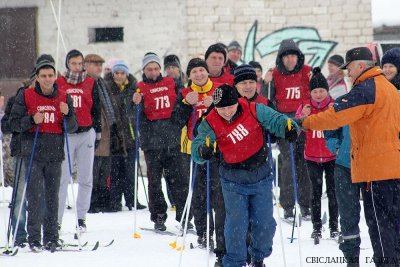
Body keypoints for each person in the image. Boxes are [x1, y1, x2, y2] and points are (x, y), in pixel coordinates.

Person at [301, 47, 400, 267]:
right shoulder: (389, 88)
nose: (348, 74)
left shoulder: (366, 89)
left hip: (376, 170)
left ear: (361, 66)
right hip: (392, 167)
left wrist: (305, 123)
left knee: (380, 228)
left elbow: (335, 116)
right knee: (393, 226)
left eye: (350, 69)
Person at [191, 84, 299, 267]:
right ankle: (234, 262)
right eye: (221, 108)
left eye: (230, 107)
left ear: (237, 102)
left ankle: (258, 258)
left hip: (261, 176)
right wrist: (202, 151)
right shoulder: (210, 121)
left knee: (265, 224)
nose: (226, 112)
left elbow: (277, 120)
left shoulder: (253, 109)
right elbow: (197, 145)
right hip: (232, 181)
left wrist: (289, 129)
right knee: (235, 226)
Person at [9, 58, 77, 250]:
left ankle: (51, 237)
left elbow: (72, 127)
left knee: (52, 197)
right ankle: (33, 238)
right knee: (35, 197)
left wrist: (68, 114)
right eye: (44, 76)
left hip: (54, 154)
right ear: (37, 78)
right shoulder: (26, 95)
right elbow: (13, 123)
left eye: (51, 76)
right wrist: (31, 119)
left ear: (55, 77)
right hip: (33, 154)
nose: (48, 80)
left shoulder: (64, 97)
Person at [172, 57, 223, 260]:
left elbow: (232, 113)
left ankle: (219, 232)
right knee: (199, 192)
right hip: (194, 149)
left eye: (201, 70)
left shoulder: (219, 89)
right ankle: (203, 232)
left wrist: (214, 105)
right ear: (189, 75)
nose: (199, 74)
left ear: (207, 71)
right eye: (194, 72)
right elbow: (175, 120)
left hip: (218, 147)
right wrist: (186, 104)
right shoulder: (184, 93)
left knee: (218, 191)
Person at [132, 52, 189, 231]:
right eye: (149, 69)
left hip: (172, 141)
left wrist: (176, 125)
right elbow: (133, 116)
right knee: (154, 182)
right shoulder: (139, 88)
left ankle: (184, 215)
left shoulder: (171, 83)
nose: (153, 72)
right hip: (152, 143)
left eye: (156, 68)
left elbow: (181, 105)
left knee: (178, 180)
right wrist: (135, 104)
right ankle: (158, 215)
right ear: (144, 70)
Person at [1, 55, 52, 248]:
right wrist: (29, 120)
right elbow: (7, 125)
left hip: (46, 153)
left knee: (45, 194)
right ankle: (19, 234)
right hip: (23, 151)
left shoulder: (53, 97)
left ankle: (42, 233)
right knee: (20, 194)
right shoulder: (19, 97)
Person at [57, 49, 101, 232]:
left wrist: (97, 132)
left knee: (85, 178)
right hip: (66, 134)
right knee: (63, 178)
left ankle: (81, 217)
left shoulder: (90, 82)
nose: (76, 67)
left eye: (79, 63)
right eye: (73, 63)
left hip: (85, 133)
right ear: (67, 64)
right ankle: (56, 220)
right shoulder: (59, 82)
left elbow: (96, 109)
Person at [269, 38, 312, 221]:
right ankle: (287, 205)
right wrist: (265, 82)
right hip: (284, 123)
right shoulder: (275, 75)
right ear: (281, 58)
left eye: (293, 56)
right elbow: (267, 99)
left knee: (304, 164)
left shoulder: (306, 72)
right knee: (288, 163)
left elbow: (318, 89)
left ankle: (306, 204)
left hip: (303, 121)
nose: (290, 60)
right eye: (286, 57)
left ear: (298, 57)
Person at [296, 67, 338, 240]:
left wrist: (334, 111)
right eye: (315, 91)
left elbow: (343, 125)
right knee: (315, 193)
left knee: (333, 192)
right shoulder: (305, 107)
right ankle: (316, 227)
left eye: (321, 90)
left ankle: (334, 226)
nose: (318, 94)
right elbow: (296, 128)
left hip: (332, 157)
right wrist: (301, 116)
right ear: (310, 92)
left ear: (327, 91)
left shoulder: (334, 104)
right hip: (312, 156)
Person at [84, 54, 126, 213]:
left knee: (104, 170)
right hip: (94, 131)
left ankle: (102, 200)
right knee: (93, 170)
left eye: (100, 64)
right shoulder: (86, 83)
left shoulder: (102, 82)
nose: (98, 67)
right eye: (95, 64)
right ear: (86, 65)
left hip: (107, 132)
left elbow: (111, 108)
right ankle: (92, 202)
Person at [104, 60, 146, 211]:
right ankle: (115, 200)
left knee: (130, 170)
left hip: (130, 133)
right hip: (114, 135)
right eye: (117, 73)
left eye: (122, 73)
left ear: (126, 74)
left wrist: (137, 103)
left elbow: (139, 109)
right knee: (115, 170)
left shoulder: (134, 88)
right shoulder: (108, 88)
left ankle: (131, 199)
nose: (119, 76)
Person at [325, 124, 362, 266]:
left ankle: (387, 259)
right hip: (345, 166)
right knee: (348, 216)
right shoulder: (342, 103)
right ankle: (352, 260)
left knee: (381, 219)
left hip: (375, 166)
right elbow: (329, 131)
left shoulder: (384, 102)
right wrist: (337, 148)